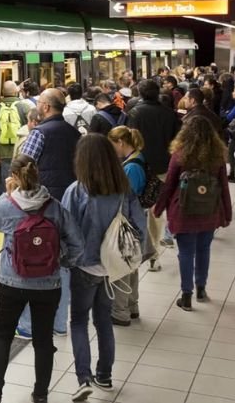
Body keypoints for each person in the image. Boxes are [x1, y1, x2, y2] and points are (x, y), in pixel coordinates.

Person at [0, 155, 83, 403]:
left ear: (14, 178)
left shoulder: (8, 205)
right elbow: (78, 244)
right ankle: (40, 394)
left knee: (2, 336)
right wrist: (62, 263)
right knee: (43, 340)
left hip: (11, 282)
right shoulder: (55, 206)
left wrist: (8, 194)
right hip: (48, 285)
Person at [62, 134, 146, 401]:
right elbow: (139, 228)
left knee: (78, 321)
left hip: (84, 268)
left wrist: (66, 260)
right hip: (112, 268)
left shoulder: (76, 190)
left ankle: (83, 377)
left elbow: (65, 231)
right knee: (104, 322)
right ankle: (105, 375)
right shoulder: (123, 189)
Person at [16, 88, 81, 340]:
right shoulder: (75, 133)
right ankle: (59, 324)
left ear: (44, 107)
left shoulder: (39, 133)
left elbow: (23, 166)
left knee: (37, 261)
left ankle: (29, 326)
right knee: (63, 264)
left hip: (43, 206)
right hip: (69, 203)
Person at [153, 115, 231, 311]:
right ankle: (201, 288)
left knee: (186, 252)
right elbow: (224, 186)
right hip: (209, 210)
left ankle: (186, 295)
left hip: (184, 210)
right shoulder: (217, 156)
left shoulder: (180, 154)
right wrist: (227, 213)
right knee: (204, 250)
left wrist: (159, 207)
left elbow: (169, 184)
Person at [127, 80, 179, 271]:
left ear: (140, 93)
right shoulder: (170, 114)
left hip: (137, 166)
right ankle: (154, 255)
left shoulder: (133, 113)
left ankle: (134, 249)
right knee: (156, 212)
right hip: (162, 169)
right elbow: (177, 142)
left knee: (133, 207)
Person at [107, 126, 146, 326]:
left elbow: (125, 199)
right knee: (131, 267)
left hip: (126, 225)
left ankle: (120, 312)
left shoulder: (130, 167)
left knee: (121, 268)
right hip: (135, 223)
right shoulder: (138, 159)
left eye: (113, 145)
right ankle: (132, 307)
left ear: (120, 142)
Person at [0, 81, 29, 196]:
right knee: (22, 180)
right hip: (22, 151)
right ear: (16, 92)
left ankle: (5, 205)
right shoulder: (24, 107)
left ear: (3, 93)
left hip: (3, 153)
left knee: (6, 183)